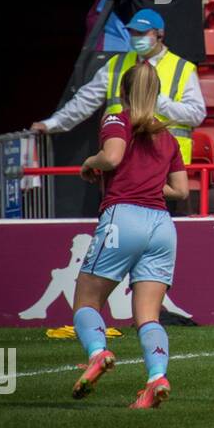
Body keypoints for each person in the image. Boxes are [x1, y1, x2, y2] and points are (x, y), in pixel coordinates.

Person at [69, 62, 191, 408]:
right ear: (156, 94)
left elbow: (112, 156)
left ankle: (97, 352)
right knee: (148, 316)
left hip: (124, 218)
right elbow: (180, 190)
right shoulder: (167, 135)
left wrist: (88, 163)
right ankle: (156, 378)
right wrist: (148, 182)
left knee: (87, 302)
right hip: (162, 226)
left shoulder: (116, 118)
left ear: (123, 92)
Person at [31, 8, 204, 164]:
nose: (137, 37)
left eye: (143, 33)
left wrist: (157, 102)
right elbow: (84, 101)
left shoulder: (183, 69)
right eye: (133, 32)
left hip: (165, 164)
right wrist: (52, 124)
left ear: (160, 34)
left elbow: (196, 115)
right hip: (121, 161)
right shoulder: (116, 64)